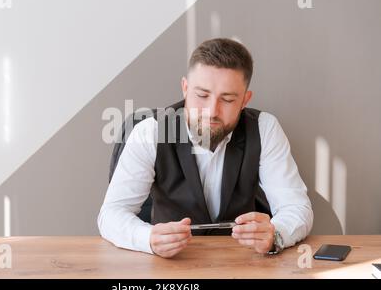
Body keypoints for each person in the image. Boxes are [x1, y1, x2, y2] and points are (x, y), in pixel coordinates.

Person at [98, 38, 313, 258]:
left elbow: (297, 208)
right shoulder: (150, 132)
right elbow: (111, 214)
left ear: (245, 100)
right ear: (185, 88)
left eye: (227, 99)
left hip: (242, 263)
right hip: (170, 266)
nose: (211, 111)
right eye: (201, 95)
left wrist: (275, 235)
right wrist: (148, 238)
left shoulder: (264, 128)